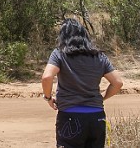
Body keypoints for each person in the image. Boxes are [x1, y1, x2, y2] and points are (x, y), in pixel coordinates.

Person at [41, 18, 124, 148]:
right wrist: (102, 97)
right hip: (96, 117)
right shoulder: (99, 56)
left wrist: (48, 98)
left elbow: (47, 77)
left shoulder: (59, 54)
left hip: (70, 115)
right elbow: (117, 83)